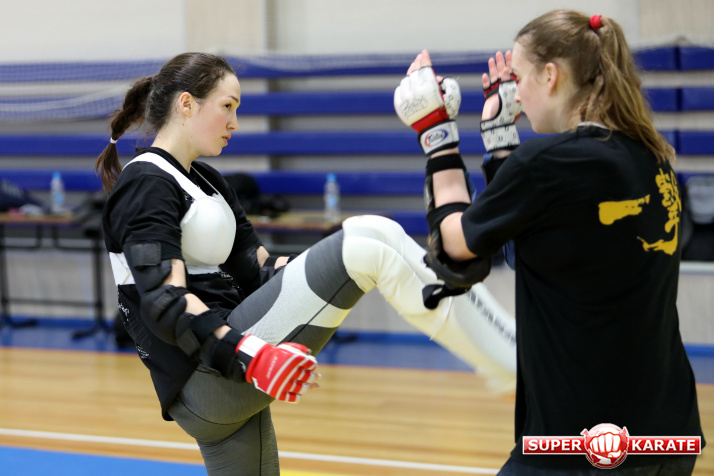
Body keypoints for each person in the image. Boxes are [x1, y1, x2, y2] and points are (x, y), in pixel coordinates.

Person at [96, 52, 516, 476]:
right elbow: (166, 300)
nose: (234, 122)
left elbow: (258, 270)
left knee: (366, 243)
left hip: (226, 362)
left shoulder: (208, 180)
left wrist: (320, 268)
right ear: (186, 104)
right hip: (208, 374)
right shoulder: (145, 182)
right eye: (227, 106)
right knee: (370, 238)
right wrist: (249, 356)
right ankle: (512, 365)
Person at [394, 9, 705, 475]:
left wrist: (436, 136)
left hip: (582, 443)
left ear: (551, 75)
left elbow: (456, 246)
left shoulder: (546, 163)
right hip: (669, 435)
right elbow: (538, 244)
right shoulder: (652, 157)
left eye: (519, 78)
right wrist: (501, 140)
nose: (515, 93)